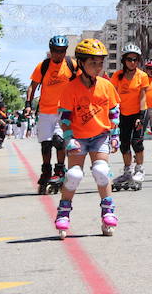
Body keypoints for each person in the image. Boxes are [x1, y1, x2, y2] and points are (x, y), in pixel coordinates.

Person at [52, 38, 120, 239]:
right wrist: (68, 138)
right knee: (73, 174)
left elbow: (114, 111)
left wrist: (115, 135)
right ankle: (63, 212)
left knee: (101, 171)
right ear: (81, 63)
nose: (98, 67)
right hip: (78, 137)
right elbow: (64, 117)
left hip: (100, 136)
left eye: (101, 63)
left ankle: (108, 210)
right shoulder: (70, 88)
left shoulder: (106, 86)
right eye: (93, 63)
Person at [26, 35, 76, 194]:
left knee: (59, 141)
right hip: (45, 111)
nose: (58, 54)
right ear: (51, 50)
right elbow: (32, 87)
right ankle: (46, 170)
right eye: (55, 50)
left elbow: (83, 81)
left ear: (65, 51)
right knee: (46, 145)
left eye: (61, 51)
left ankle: (60, 170)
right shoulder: (43, 66)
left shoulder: (71, 65)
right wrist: (28, 105)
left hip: (64, 111)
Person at [110, 44, 149, 190]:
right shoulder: (117, 76)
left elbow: (143, 97)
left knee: (136, 142)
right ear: (124, 60)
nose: (132, 62)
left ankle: (139, 170)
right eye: (129, 59)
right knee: (124, 144)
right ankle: (127, 172)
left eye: (135, 59)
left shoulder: (142, 76)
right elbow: (112, 95)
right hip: (122, 114)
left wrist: (140, 115)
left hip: (138, 113)